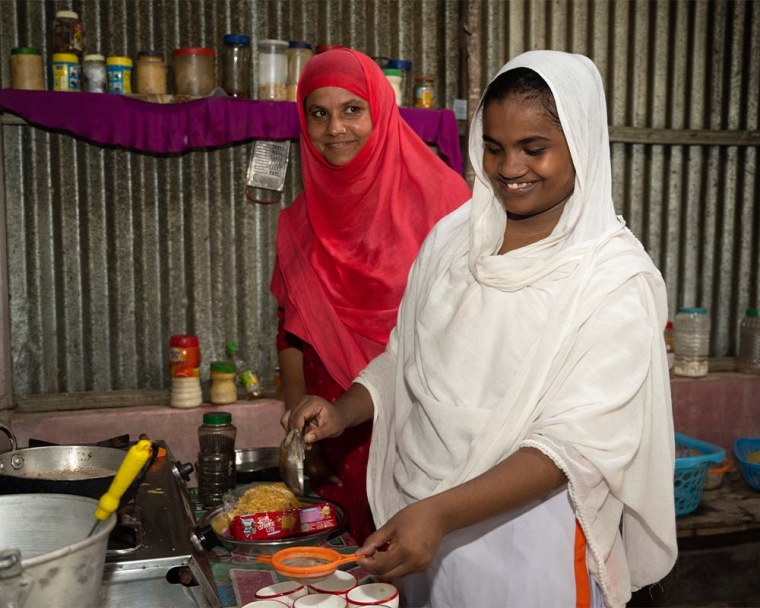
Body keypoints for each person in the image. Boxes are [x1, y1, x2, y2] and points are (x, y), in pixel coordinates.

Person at [284, 50, 677, 608]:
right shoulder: (453, 239)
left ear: (582, 144)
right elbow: (407, 357)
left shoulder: (613, 279)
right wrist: (345, 409)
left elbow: (576, 446)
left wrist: (441, 514)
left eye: (533, 148)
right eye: (494, 147)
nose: (509, 168)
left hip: (533, 539)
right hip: (426, 528)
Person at [271, 48, 471, 545]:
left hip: (423, 431)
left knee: (419, 562)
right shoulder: (300, 222)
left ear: (380, 111)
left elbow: (469, 335)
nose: (335, 127)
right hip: (335, 431)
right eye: (319, 113)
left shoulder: (447, 205)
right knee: (348, 574)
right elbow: (291, 335)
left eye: (352, 110)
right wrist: (302, 436)